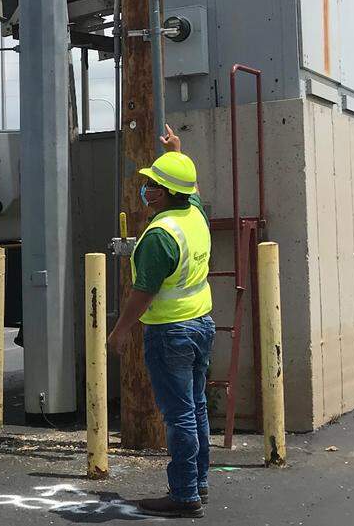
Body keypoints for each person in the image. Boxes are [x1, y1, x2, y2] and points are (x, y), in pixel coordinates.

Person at [108, 125, 216, 519]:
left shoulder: (160, 235)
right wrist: (179, 152)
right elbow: (194, 188)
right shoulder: (195, 214)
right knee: (197, 407)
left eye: (153, 184)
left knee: (179, 415)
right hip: (202, 325)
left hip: (170, 333)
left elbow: (143, 293)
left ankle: (185, 494)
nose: (146, 189)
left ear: (166, 193)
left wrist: (120, 332)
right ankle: (199, 482)